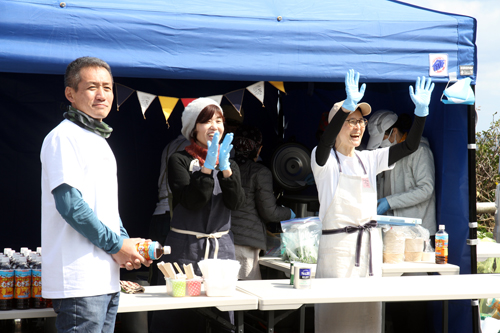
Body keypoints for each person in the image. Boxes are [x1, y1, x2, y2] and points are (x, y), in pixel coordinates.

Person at [311, 69, 434, 332]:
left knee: (368, 320)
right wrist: (344, 107)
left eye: (361, 122)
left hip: (368, 249)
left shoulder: (368, 158)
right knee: (337, 321)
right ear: (337, 126)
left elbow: (409, 147)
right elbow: (324, 143)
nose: (358, 127)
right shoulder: (325, 161)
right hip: (339, 252)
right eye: (350, 121)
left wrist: (420, 115)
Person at [40, 57, 150, 333]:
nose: (102, 95)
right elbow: (71, 206)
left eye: (108, 87)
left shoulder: (98, 138)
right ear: (71, 94)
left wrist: (126, 245)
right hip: (80, 280)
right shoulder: (64, 136)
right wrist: (117, 246)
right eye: (92, 87)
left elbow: (106, 210)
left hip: (106, 278)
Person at [150, 97, 245, 333]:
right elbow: (192, 201)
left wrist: (225, 170)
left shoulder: (230, 163)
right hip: (186, 250)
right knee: (181, 315)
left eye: (219, 120)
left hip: (220, 249)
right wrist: (206, 168)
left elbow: (237, 203)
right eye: (207, 121)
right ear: (194, 128)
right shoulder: (179, 159)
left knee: (220, 315)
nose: (215, 126)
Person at [231, 124, 295, 280]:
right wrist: (290, 213)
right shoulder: (260, 172)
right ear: (258, 149)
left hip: (224, 240)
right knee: (245, 297)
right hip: (245, 243)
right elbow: (269, 212)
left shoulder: (225, 168)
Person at [367, 110, 437, 237]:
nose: (380, 144)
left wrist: (390, 202)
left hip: (418, 232)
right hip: (392, 230)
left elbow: (426, 189)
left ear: (394, 131)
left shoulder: (420, 151)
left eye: (382, 138)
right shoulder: (385, 155)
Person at [148, 134, 189, 285]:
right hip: (172, 215)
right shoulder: (190, 147)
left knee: (158, 273)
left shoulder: (171, 144)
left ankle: (154, 309)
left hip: (160, 213)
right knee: (172, 275)